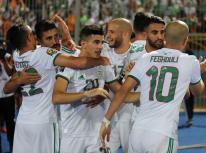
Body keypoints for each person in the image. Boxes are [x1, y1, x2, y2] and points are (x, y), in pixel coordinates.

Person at [100, 20, 205, 153]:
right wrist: (198, 72)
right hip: (162, 134)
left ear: (164, 37)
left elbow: (122, 91)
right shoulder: (190, 62)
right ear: (185, 40)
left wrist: (106, 120)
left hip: (137, 132)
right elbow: (197, 91)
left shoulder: (146, 58)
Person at [4, 23, 109, 153]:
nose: (54, 41)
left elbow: (6, 89)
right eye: (32, 34)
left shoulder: (17, 55)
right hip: (45, 121)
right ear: (30, 38)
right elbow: (77, 62)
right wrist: (102, 60)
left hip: (23, 121)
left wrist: (18, 79)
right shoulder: (43, 53)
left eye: (56, 37)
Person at [52, 24, 138, 153]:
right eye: (96, 42)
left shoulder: (103, 63)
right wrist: (87, 94)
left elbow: (121, 94)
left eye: (102, 42)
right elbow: (56, 97)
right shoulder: (69, 64)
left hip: (97, 134)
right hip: (72, 134)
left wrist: (132, 81)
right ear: (84, 43)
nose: (100, 47)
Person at [102, 18, 144, 153]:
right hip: (107, 113)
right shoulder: (103, 51)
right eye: (107, 31)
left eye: (112, 32)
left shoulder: (141, 54)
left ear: (126, 34)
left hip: (131, 113)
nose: (108, 35)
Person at [0, 43, 15, 152]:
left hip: (8, 97)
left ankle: (12, 148)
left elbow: (11, 72)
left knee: (10, 124)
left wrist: (3, 60)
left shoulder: (7, 56)